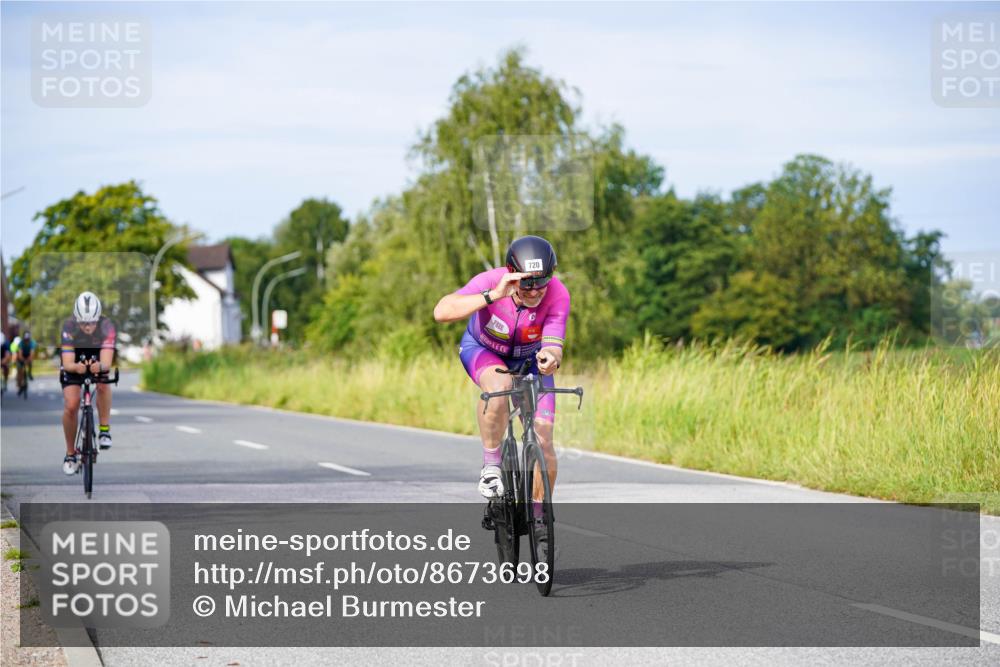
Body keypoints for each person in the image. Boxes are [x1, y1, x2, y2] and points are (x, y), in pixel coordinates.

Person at [433, 235, 570, 509]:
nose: (533, 291)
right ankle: (492, 466)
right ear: (511, 273)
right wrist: (493, 295)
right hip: (484, 350)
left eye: (541, 283)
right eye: (526, 283)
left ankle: (540, 517)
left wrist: (550, 359)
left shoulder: (558, 294)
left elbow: (554, 344)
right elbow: (441, 311)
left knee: (544, 440)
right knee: (500, 385)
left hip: (531, 359)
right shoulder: (490, 280)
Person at [60, 291, 117, 475]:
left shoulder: (107, 326)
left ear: (98, 318)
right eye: (83, 322)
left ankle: (104, 430)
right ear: (76, 319)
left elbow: (106, 362)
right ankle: (70, 453)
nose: (87, 327)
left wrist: (98, 366)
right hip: (74, 363)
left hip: (96, 359)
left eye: (92, 322)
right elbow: (68, 363)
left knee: (103, 383)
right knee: (72, 404)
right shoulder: (68, 326)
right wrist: (77, 368)